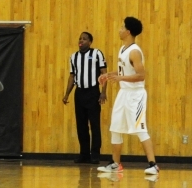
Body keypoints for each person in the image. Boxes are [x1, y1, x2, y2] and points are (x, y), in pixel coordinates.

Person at [97, 17, 159, 176]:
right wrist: (109, 75)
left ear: (128, 31)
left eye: (122, 27)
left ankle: (153, 165)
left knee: (140, 128)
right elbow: (124, 72)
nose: (119, 29)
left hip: (135, 95)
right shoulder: (123, 49)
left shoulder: (134, 51)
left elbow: (141, 75)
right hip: (123, 93)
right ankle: (115, 164)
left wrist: (121, 78)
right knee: (115, 127)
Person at [62, 31, 107, 164]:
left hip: (93, 93)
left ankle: (95, 155)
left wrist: (103, 92)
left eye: (85, 39)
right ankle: (84, 154)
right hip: (79, 93)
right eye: (80, 38)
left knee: (94, 125)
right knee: (81, 126)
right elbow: (72, 76)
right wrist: (67, 94)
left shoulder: (97, 54)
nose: (81, 41)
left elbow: (104, 73)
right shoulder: (73, 57)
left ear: (90, 42)